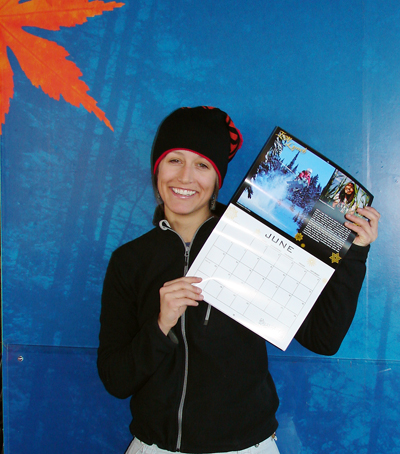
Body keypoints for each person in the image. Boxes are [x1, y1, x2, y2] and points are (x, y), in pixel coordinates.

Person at [97, 106, 380, 454]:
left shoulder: (254, 244)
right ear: (156, 167)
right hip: (155, 447)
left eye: (201, 165)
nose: (185, 178)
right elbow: (116, 379)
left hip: (247, 447)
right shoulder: (130, 260)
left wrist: (354, 256)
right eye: (174, 160)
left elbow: (323, 338)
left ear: (217, 178)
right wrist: (160, 325)